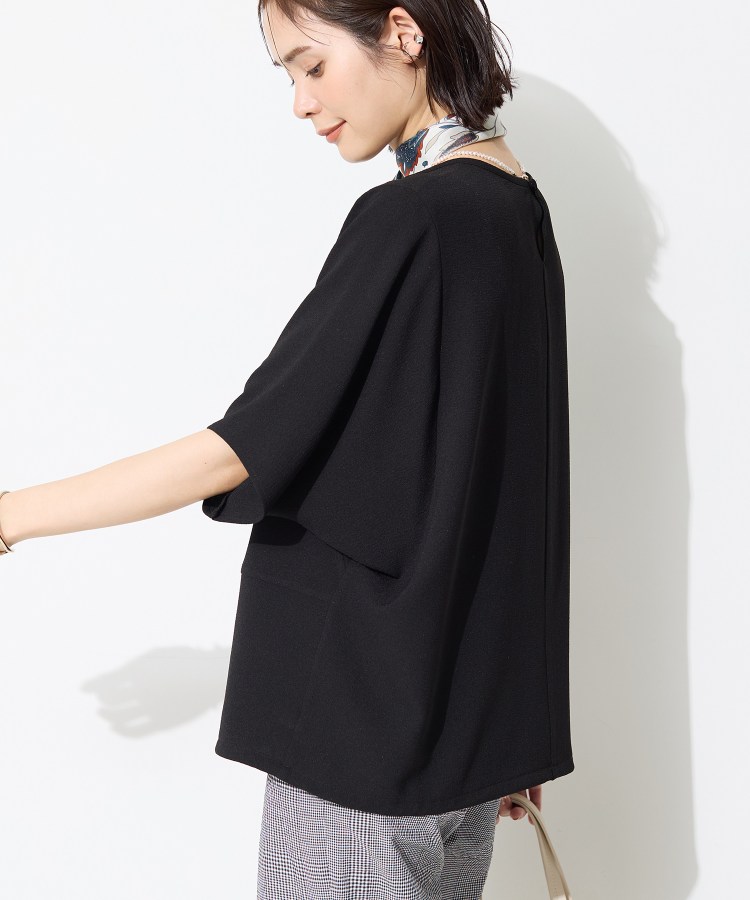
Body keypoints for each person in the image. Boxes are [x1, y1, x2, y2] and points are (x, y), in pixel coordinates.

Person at [1, 1, 573, 897]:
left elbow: (240, 450)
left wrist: (10, 517)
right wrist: (509, 728)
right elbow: (515, 494)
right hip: (463, 742)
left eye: (311, 65)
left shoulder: (411, 218)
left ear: (403, 32)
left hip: (360, 743)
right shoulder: (516, 207)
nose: (302, 103)